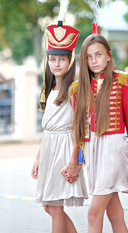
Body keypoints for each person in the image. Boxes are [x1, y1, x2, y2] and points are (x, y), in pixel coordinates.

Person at [61, 34, 128, 233]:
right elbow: (80, 132)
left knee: (93, 213)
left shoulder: (124, 82)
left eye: (98, 55)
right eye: (89, 57)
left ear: (109, 55)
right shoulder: (77, 89)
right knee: (114, 214)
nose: (94, 61)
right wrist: (77, 162)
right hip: (93, 152)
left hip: (114, 150)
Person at [31, 23, 88, 233]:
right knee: (49, 206)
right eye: (53, 59)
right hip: (49, 148)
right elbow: (48, 130)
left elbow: (81, 128)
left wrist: (76, 161)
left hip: (64, 149)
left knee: (55, 207)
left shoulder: (75, 89)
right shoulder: (50, 88)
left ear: (70, 60)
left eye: (62, 59)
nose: (56, 63)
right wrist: (38, 158)